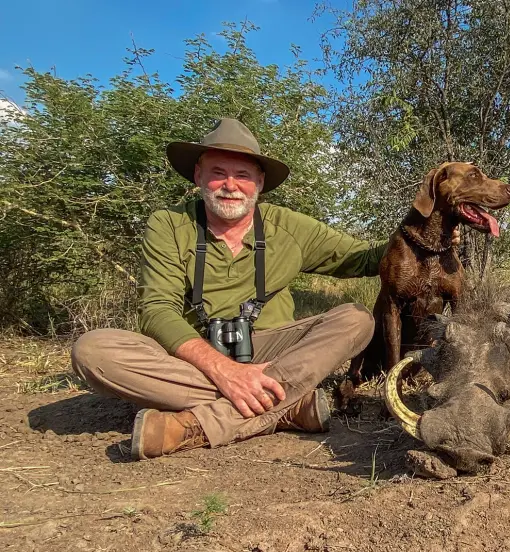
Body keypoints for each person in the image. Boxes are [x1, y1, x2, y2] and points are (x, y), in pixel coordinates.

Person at [71, 118, 386, 461]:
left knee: (356, 319)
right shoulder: (168, 224)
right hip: (196, 355)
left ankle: (197, 426)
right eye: (218, 172)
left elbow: (367, 259)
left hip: (274, 348)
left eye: (243, 176)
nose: (230, 185)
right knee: (93, 352)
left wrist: (432, 226)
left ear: (260, 183)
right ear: (198, 176)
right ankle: (284, 407)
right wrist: (226, 372)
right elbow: (157, 309)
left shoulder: (289, 226)